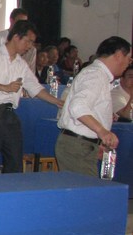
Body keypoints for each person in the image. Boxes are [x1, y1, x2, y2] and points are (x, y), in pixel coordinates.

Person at [0, 20, 63, 174]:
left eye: (32, 42)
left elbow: (35, 87)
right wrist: (5, 87)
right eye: (28, 41)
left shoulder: (20, 63)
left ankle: (11, 188)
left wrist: (58, 102)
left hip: (9, 113)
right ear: (16, 37)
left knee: (15, 162)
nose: (30, 46)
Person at [56, 37, 131, 176]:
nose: (128, 63)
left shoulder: (99, 75)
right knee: (85, 189)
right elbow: (77, 107)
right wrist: (102, 131)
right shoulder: (95, 75)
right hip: (78, 146)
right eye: (128, 58)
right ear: (119, 55)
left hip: (83, 144)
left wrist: (96, 140)